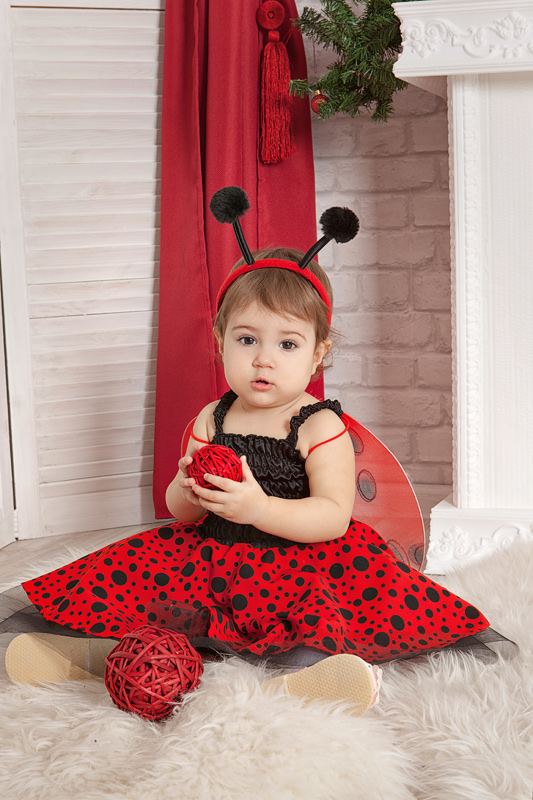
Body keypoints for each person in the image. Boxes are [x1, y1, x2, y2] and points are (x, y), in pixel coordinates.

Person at [5, 188, 492, 713]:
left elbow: (332, 517)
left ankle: (301, 678)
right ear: (220, 340)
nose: (264, 360)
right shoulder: (211, 419)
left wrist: (258, 508)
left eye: (287, 344)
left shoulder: (319, 425)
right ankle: (90, 656)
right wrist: (186, 487)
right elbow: (182, 512)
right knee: (133, 598)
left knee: (313, 622)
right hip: (212, 557)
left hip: (299, 565)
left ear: (318, 353)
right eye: (246, 340)